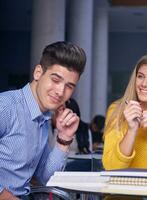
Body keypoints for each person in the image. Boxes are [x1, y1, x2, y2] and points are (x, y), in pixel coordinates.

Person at [0, 41, 86, 199]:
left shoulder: (42, 119)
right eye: (55, 79)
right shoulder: (6, 107)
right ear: (38, 72)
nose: (61, 91)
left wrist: (64, 139)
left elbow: (46, 178)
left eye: (69, 86)